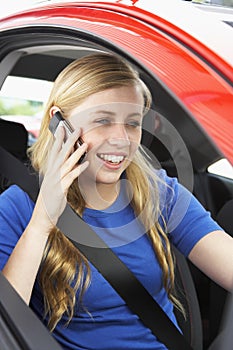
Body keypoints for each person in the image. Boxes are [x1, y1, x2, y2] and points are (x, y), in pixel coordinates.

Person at [0, 53, 232, 350]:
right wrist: (42, 222)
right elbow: (5, 325)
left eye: (133, 123)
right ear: (59, 123)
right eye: (103, 121)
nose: (122, 139)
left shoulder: (160, 192)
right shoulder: (18, 207)